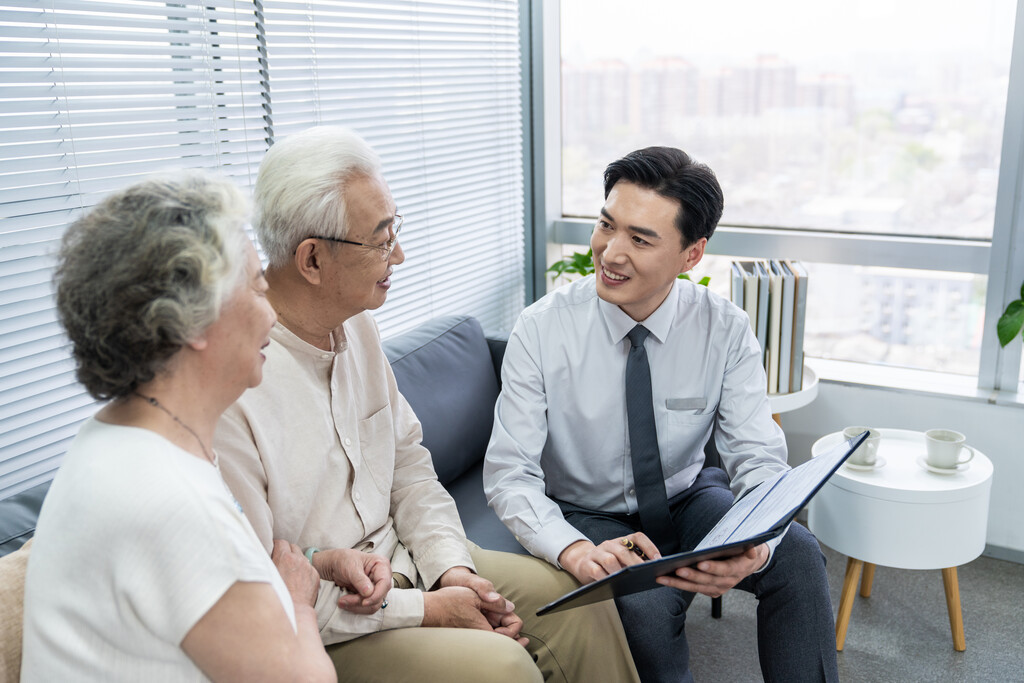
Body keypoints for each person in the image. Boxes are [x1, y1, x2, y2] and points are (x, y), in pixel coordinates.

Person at [212, 126, 639, 683]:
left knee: (577, 598)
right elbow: (263, 589)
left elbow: (410, 469)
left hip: (410, 559)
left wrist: (450, 571)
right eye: (381, 239)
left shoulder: (356, 324)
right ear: (312, 260)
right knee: (502, 666)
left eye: (396, 229)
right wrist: (429, 611)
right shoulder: (231, 387)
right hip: (332, 623)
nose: (401, 255)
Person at [484, 147, 840, 682]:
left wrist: (759, 545)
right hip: (588, 510)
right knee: (643, 608)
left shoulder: (724, 328)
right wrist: (575, 549)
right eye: (607, 225)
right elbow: (510, 475)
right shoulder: (541, 330)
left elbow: (757, 457)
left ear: (691, 254)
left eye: (640, 238)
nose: (610, 252)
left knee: (796, 555)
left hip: (687, 497)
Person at [20, 172, 337, 682]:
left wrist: (313, 564)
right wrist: (297, 600)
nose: (272, 316)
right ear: (190, 319)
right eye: (258, 287)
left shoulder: (112, 440)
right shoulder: (170, 503)